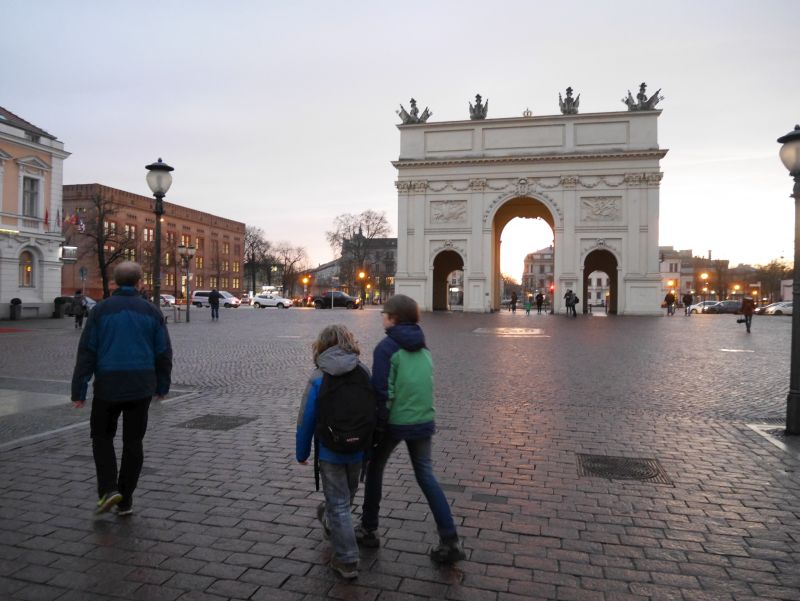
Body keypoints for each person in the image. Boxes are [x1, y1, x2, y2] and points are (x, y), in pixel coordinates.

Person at [357, 294, 466, 564]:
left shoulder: (386, 347)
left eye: (385, 313)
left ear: (394, 318)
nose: (382, 316)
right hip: (423, 420)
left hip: (395, 421)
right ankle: (449, 539)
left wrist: (378, 427)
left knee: (374, 469)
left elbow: (381, 390)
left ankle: (368, 528)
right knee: (426, 477)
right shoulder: (423, 345)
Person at [71, 261, 172, 516]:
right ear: (140, 283)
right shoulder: (151, 311)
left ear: (115, 283)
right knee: (133, 442)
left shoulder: (101, 311)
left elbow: (87, 351)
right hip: (140, 386)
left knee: (101, 437)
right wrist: (162, 385)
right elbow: (163, 353)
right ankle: (125, 499)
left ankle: (108, 489)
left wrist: (79, 390)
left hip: (108, 385)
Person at [296, 325, 371, 579]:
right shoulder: (363, 371)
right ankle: (331, 521)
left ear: (321, 346)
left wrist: (301, 451)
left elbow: (306, 417)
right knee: (346, 500)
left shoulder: (318, 376)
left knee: (338, 504)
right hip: (358, 450)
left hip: (330, 451)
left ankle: (347, 559)